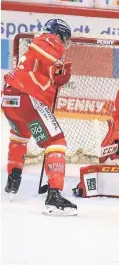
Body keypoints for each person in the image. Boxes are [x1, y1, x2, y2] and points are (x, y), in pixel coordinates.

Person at [2, 19, 77, 216]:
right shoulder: (49, 40)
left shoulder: (37, 49)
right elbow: (43, 50)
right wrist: (58, 65)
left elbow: (41, 65)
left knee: (20, 134)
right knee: (56, 141)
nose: (64, 44)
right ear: (59, 35)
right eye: (65, 39)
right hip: (26, 97)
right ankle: (54, 194)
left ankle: (13, 178)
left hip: (10, 99)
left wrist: (56, 73)